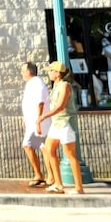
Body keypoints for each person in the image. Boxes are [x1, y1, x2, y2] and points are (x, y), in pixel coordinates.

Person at [41, 60, 84, 194]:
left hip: (66, 123)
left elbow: (61, 106)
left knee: (70, 154)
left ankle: (79, 187)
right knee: (49, 149)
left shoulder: (65, 86)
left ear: (58, 73)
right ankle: (58, 184)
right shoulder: (56, 85)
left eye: (51, 71)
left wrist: (44, 116)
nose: (49, 73)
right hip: (56, 123)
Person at [20, 61, 53, 188]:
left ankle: (40, 175)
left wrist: (38, 120)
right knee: (43, 147)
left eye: (23, 71)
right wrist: (25, 119)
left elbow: (40, 102)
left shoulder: (37, 83)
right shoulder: (31, 84)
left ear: (29, 72)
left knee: (28, 145)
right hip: (32, 121)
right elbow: (29, 103)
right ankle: (49, 176)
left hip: (38, 122)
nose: (22, 73)